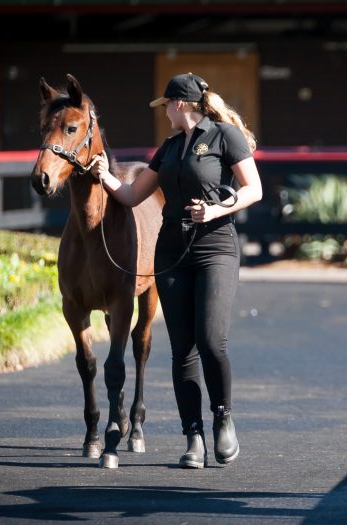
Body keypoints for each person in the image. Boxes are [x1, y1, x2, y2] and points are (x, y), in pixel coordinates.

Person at [91, 72, 262, 469]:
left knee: (210, 339)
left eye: (166, 104)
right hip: (170, 251)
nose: (163, 111)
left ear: (180, 104)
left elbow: (254, 188)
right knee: (181, 348)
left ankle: (222, 416)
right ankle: (193, 436)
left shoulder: (223, 136)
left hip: (215, 247)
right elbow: (133, 194)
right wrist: (103, 176)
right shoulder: (167, 148)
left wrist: (218, 208)